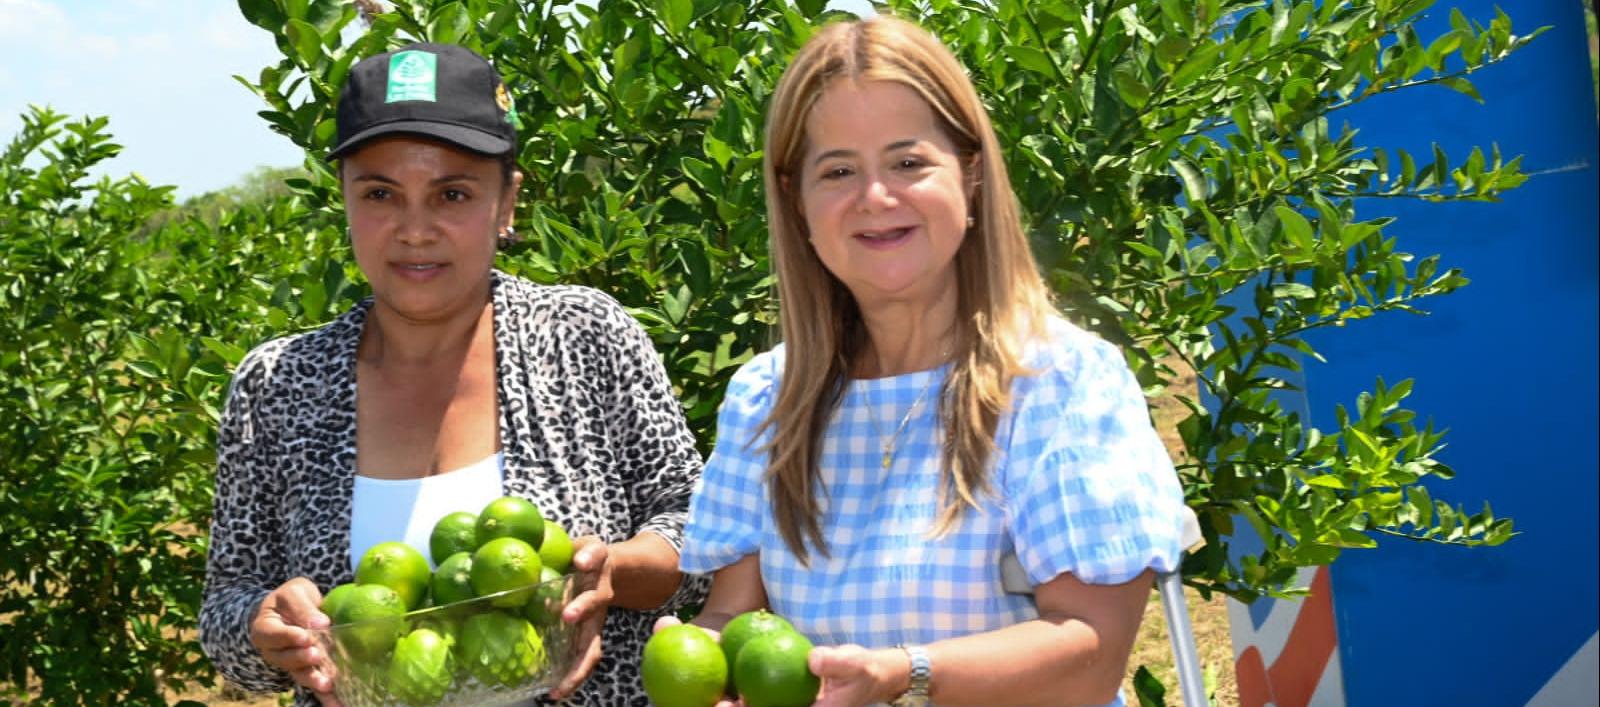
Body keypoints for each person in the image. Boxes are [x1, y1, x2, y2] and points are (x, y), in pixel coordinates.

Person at [673, 16, 1190, 707]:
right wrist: (697, 666)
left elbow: (1089, 650)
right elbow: (733, 620)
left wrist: (902, 673)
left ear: (970, 174)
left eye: (908, 162)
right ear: (797, 202)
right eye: (838, 171)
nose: (876, 197)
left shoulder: (1059, 384)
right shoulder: (767, 399)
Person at [198, 43, 705, 706]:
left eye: (453, 193)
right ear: (344, 200)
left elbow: (698, 534)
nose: (414, 229)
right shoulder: (277, 384)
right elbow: (226, 607)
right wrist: (266, 628)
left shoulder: (585, 337)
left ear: (507, 202)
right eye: (381, 192)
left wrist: (614, 570)